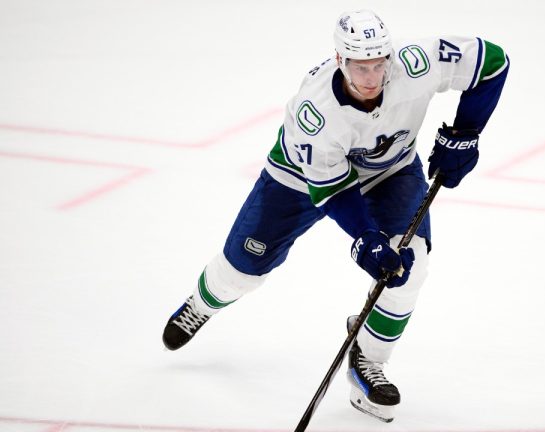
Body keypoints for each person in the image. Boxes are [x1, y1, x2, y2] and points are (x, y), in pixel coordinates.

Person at [162, 9, 508, 423]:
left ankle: (368, 358)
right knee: (243, 268)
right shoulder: (317, 112)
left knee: (409, 268)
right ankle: (203, 302)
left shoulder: (416, 66)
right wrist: (365, 238)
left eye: (379, 62)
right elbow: (333, 189)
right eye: (361, 66)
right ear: (341, 60)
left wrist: (466, 133)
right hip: (298, 177)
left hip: (390, 171)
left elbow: (491, 62)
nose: (372, 76)